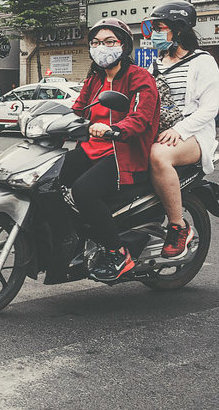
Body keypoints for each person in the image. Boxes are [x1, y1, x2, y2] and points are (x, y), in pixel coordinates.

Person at [63, 18, 159, 281]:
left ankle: (118, 252)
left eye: (109, 42)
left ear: (124, 45)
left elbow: (141, 116)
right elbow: (77, 109)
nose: (101, 48)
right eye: (95, 43)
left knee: (83, 191)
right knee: (50, 178)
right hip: (91, 148)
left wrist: (114, 129)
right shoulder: (94, 79)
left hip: (123, 152)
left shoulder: (140, 77)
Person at [144, 1, 219, 259]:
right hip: (161, 130)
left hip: (193, 134)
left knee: (159, 155)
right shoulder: (155, 64)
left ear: (178, 30)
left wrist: (180, 129)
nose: (154, 33)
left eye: (159, 27)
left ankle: (178, 227)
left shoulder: (202, 61)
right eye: (152, 27)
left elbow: (210, 108)